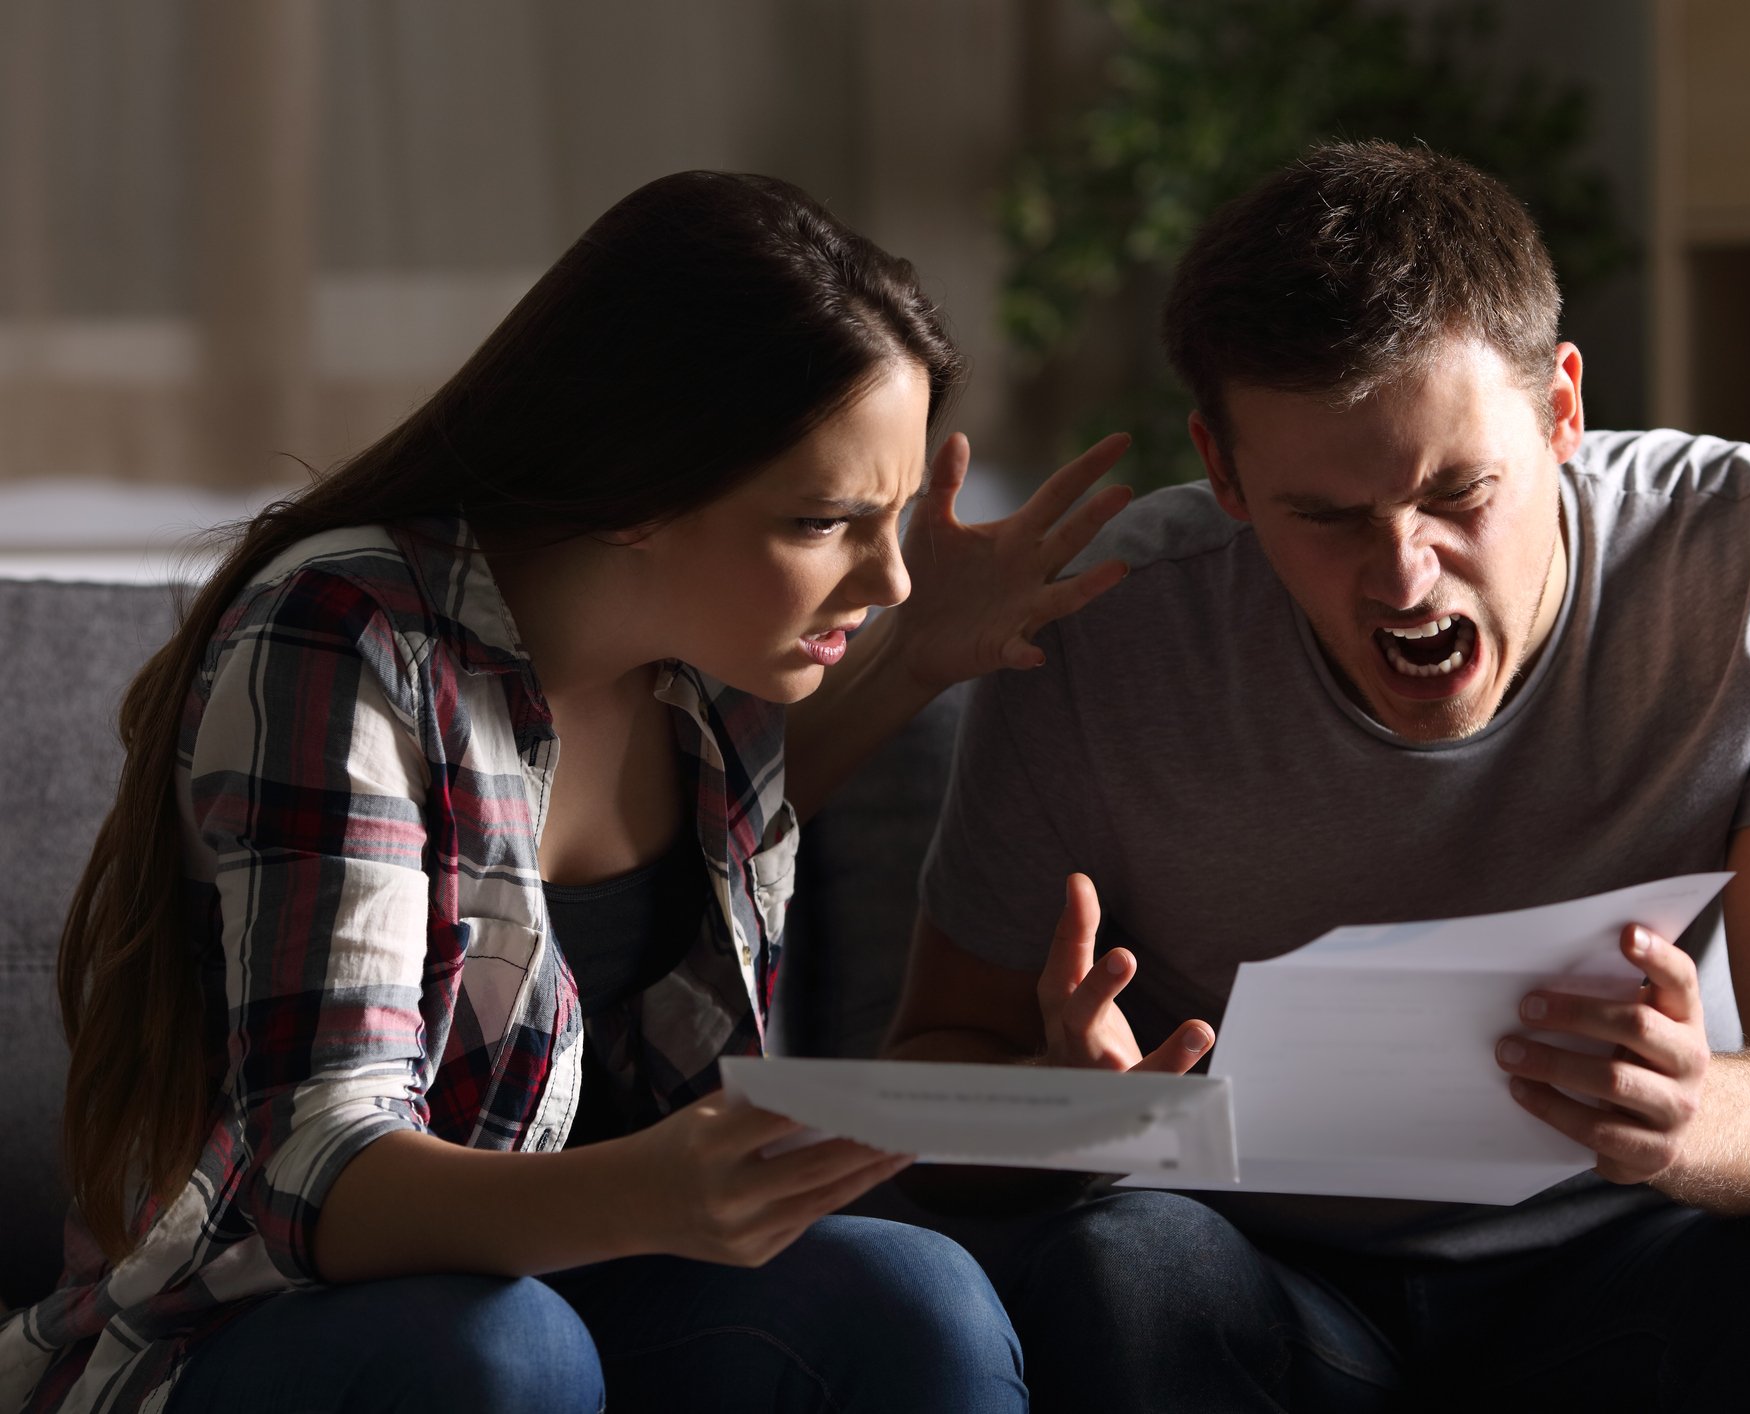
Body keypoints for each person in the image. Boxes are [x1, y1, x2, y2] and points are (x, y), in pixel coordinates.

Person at [0, 170, 1135, 1414]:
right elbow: (314, 1168)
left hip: (586, 1286)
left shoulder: (716, 679)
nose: (891, 577)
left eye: (896, 516)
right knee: (509, 1351)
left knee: (918, 1301)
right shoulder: (347, 635)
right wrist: (650, 1191)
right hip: (268, 1324)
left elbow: (686, 853)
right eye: (826, 520)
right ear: (637, 487)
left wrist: (1029, 1095)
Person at [889, 141, 1750, 1411]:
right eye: (1328, 516)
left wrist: (1692, 1115)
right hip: (1265, 1281)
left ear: (1562, 408)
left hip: (1631, 1259)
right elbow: (932, 1082)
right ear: (1223, 472)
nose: (1404, 575)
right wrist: (1060, 1115)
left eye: (1460, 494)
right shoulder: (1104, 628)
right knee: (1117, 1267)